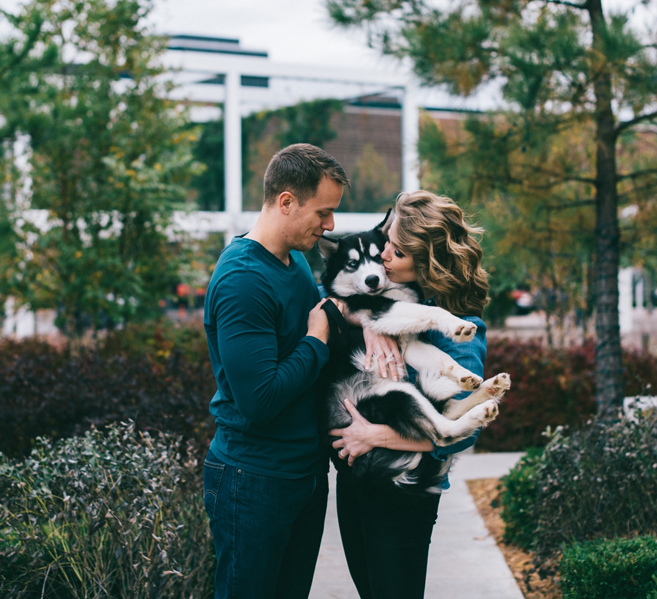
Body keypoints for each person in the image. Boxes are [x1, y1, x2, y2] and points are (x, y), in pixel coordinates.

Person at [202, 143, 349, 599]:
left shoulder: (295, 262)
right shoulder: (243, 280)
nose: (330, 226)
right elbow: (260, 400)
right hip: (253, 480)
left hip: (302, 474)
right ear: (286, 201)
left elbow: (322, 325)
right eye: (323, 212)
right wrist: (317, 338)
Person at [329, 189, 490, 599]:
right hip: (357, 476)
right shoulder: (392, 299)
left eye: (396, 252)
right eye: (387, 244)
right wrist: (367, 319)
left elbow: (460, 431)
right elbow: (335, 297)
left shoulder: (458, 328)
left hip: (404, 490)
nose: (382, 256)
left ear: (426, 261)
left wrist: (373, 436)